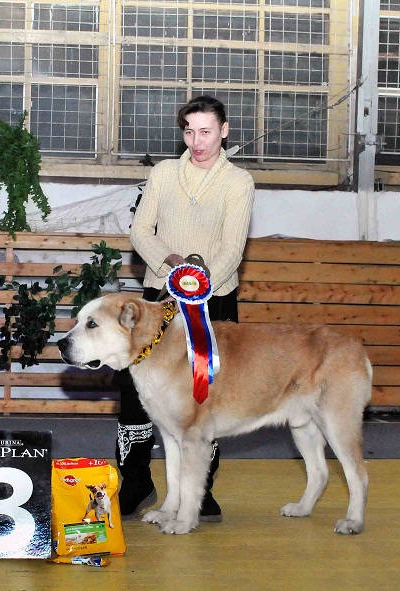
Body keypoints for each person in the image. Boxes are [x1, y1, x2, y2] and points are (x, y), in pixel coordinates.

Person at [117, 95, 255, 519]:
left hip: (215, 299)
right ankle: (136, 480)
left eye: (206, 132)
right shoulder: (162, 173)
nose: (197, 141)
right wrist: (172, 263)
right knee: (135, 393)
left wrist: (202, 279)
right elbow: (141, 230)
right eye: (190, 131)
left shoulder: (239, 182)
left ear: (224, 131)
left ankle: (201, 490)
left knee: (205, 394)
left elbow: (233, 247)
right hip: (157, 296)